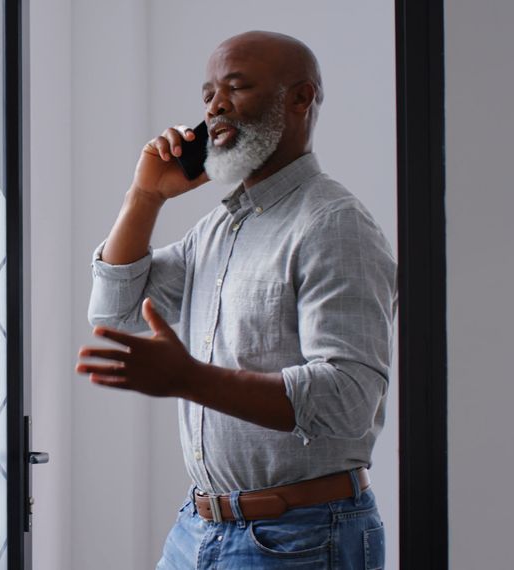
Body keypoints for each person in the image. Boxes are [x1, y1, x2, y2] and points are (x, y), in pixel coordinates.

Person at [75, 31, 396, 569]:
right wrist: (145, 196)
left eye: (236, 87)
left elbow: (348, 398)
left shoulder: (334, 225)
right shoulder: (220, 227)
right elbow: (116, 311)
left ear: (300, 99)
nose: (215, 106)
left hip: (301, 540)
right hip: (197, 529)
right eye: (207, 95)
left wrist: (189, 379)